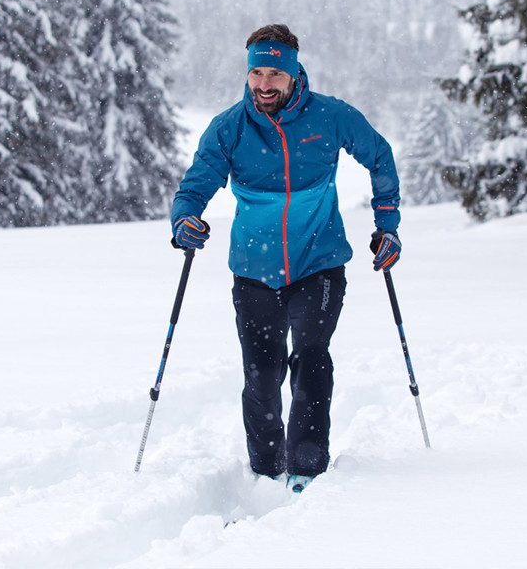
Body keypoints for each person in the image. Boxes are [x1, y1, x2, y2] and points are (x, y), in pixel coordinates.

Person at [171, 24, 401, 493]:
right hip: (254, 271)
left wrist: (387, 223)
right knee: (262, 373)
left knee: (312, 358)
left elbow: (379, 156)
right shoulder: (230, 127)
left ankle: (307, 470)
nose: (264, 83)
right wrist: (184, 219)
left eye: (275, 72)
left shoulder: (331, 117)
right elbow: (195, 184)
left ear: (294, 73)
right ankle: (265, 470)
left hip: (319, 263)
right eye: (257, 71)